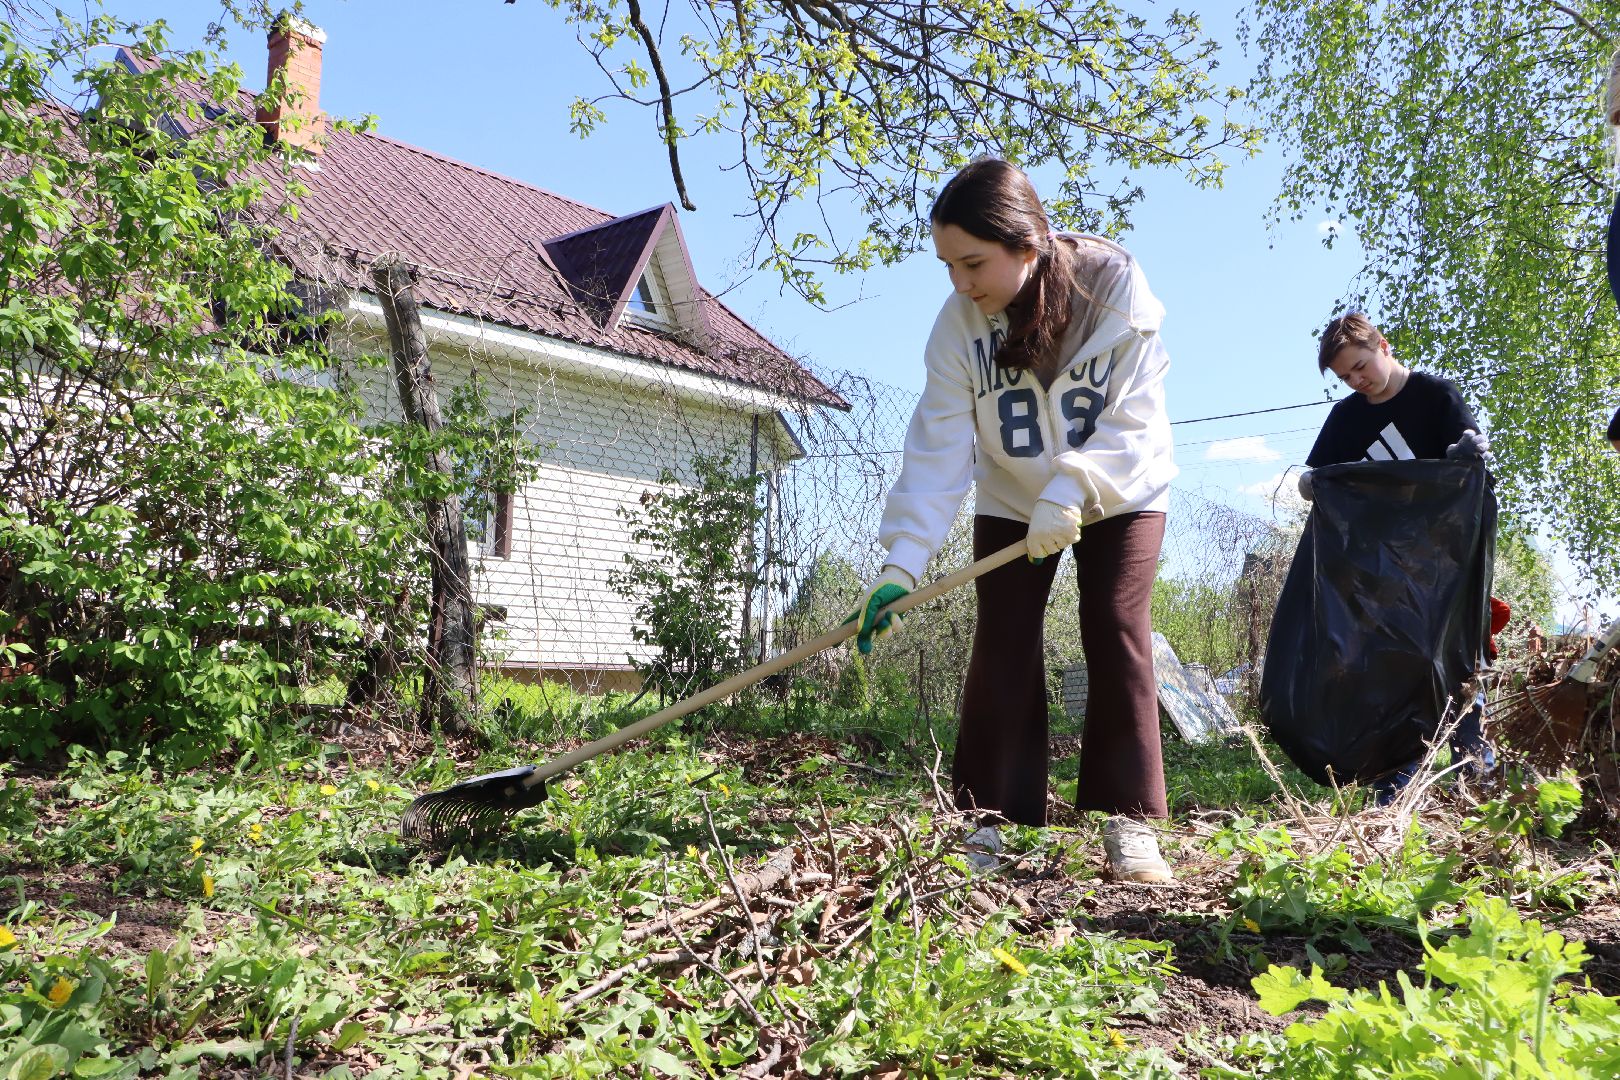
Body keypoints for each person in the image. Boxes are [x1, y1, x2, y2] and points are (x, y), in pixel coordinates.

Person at [846, 157, 1178, 883]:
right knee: (1003, 637)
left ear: (1027, 244)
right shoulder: (957, 327)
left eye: (973, 263)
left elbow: (1135, 416)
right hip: (1012, 496)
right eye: (947, 266)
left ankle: (1129, 822)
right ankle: (988, 819)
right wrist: (901, 563)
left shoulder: (1114, 287)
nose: (960, 283)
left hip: (1121, 490)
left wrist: (1073, 486)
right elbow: (937, 449)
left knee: (1114, 623)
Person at [1296, 312, 1494, 804]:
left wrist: (1468, 458)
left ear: (1383, 346)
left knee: (1456, 659)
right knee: (1390, 672)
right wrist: (1310, 482)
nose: (1357, 381)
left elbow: (1471, 483)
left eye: (1360, 366)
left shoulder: (1435, 397)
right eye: (1345, 376)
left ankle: (1478, 778)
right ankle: (1395, 788)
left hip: (1444, 568)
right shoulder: (1347, 418)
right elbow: (1320, 479)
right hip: (1381, 579)